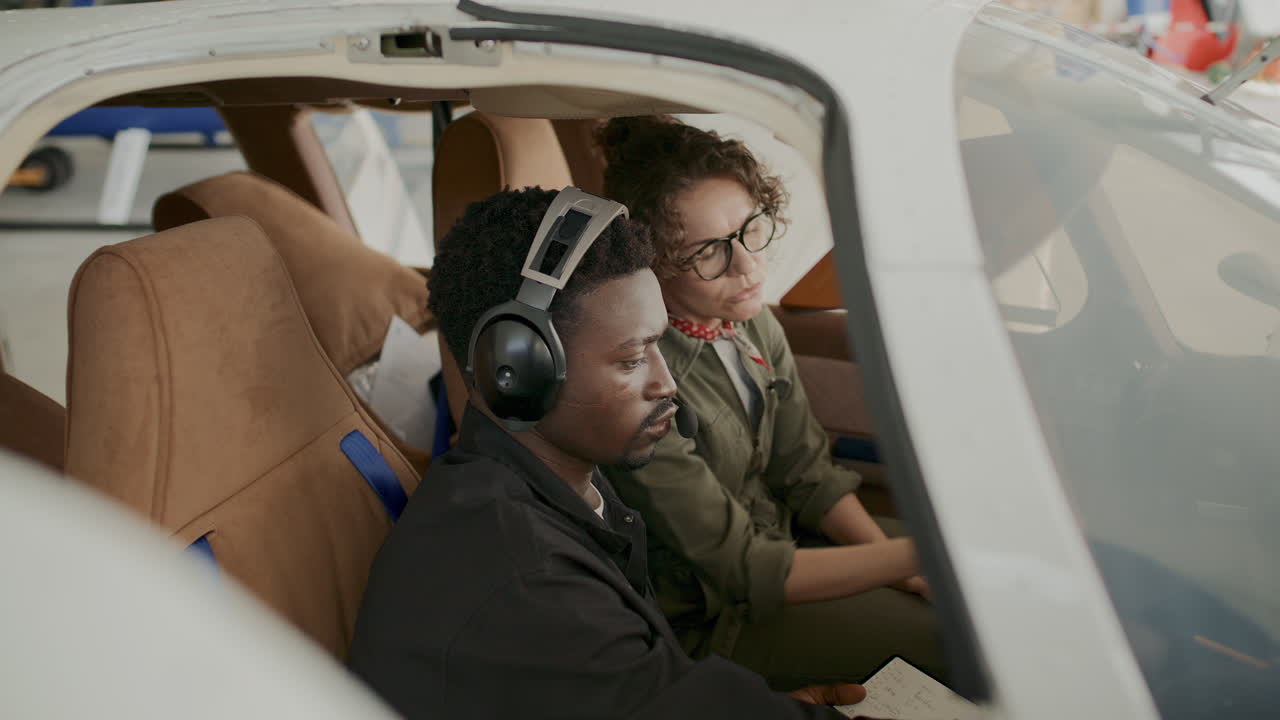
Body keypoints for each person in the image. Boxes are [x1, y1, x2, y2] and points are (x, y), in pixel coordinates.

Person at [347, 188, 876, 719]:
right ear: (517, 373)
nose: (667, 383)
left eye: (659, 346)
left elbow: (647, 691)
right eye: (631, 360)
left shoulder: (565, 490)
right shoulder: (527, 582)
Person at [596, 116, 944, 689]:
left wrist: (903, 567)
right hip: (711, 622)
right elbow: (742, 568)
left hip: (781, 547)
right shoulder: (641, 385)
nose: (749, 266)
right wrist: (916, 559)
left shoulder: (751, 325)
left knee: (983, 604)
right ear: (652, 263)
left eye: (751, 228)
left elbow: (806, 472)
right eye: (708, 252)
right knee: (957, 637)